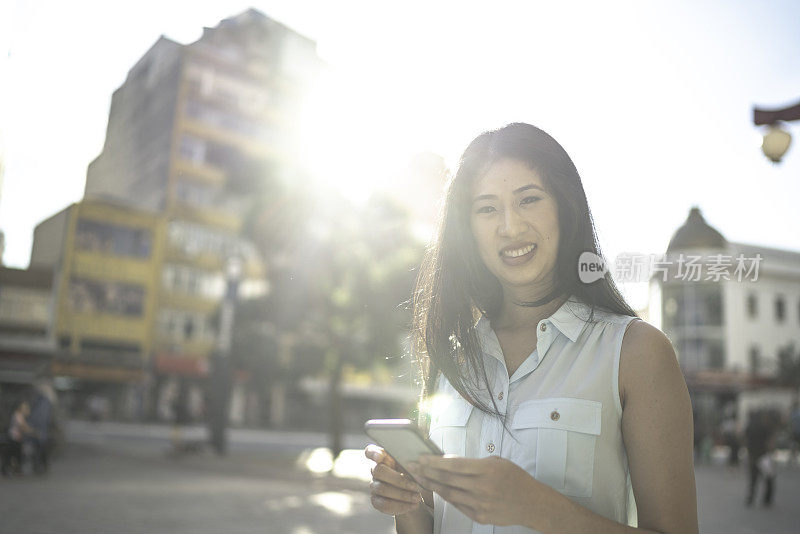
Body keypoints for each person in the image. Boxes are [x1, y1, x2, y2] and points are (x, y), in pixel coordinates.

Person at [365, 123, 699, 533]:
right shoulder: (452, 359)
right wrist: (407, 503)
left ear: (564, 207)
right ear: (467, 229)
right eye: (486, 208)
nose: (510, 227)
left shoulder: (636, 352)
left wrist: (542, 510)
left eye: (528, 199)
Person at [744, 410, 776, 507]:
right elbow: (770, 441)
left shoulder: (749, 426)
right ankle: (767, 499)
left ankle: (750, 498)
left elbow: (744, 438)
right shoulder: (765, 426)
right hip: (763, 456)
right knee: (769, 478)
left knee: (753, 479)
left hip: (753, 455)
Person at [2, 401, 36, 475]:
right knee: (14, 454)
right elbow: (22, 426)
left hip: (17, 438)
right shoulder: (17, 415)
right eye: (24, 408)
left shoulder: (20, 416)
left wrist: (30, 430)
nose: (26, 409)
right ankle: (12, 469)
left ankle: (12, 469)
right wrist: (32, 431)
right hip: (13, 438)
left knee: (14, 454)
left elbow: (24, 426)